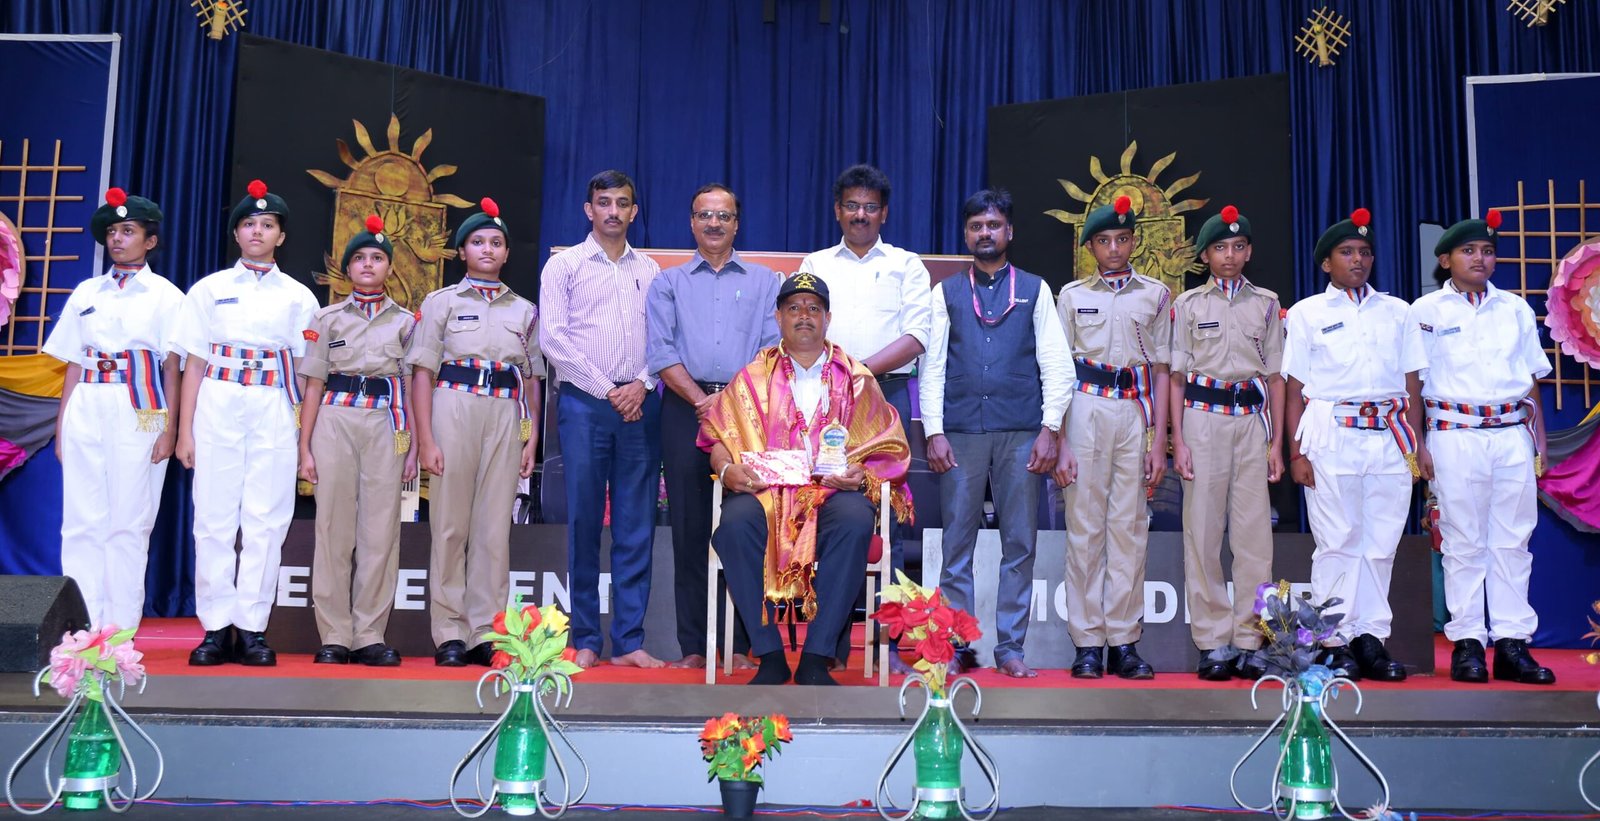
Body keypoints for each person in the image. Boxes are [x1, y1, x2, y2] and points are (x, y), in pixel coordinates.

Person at [700, 273, 912, 686]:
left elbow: (887, 446)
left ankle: (817, 656)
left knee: (855, 519)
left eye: (813, 309)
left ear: (827, 319)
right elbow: (717, 440)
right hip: (767, 492)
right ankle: (769, 654)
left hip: (833, 493)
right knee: (735, 525)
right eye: (794, 308)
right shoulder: (752, 377)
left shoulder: (856, 378)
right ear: (778, 317)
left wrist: (861, 472)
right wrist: (727, 470)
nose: (804, 316)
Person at [921, 189, 1070, 679]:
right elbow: (932, 366)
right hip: (960, 431)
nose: (985, 233)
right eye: (976, 226)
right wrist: (934, 431)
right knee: (956, 544)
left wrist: (1050, 429)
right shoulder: (945, 293)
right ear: (966, 234)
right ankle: (957, 646)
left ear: (1010, 231)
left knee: (1020, 544)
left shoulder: (1035, 289)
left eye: (993, 225)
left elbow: (1056, 364)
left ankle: (1010, 649)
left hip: (1022, 431)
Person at [1402, 209, 1555, 685]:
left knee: (1513, 540)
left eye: (1487, 251)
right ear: (1445, 260)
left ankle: (1512, 644)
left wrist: (1540, 442)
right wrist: (1418, 445)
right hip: (1455, 433)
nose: (1480, 259)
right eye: (1468, 251)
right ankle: (1468, 643)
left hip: (1511, 434)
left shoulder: (1515, 308)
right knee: (1463, 541)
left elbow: (1530, 379)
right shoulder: (1424, 311)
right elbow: (1412, 385)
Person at [172, 179, 319, 666]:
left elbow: (307, 373)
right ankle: (215, 627)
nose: (257, 231)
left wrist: (303, 438)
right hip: (217, 400)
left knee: (266, 519)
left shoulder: (299, 297)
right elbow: (193, 363)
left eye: (267, 224)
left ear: (281, 236)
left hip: (273, 404)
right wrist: (184, 431)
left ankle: (252, 627)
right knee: (213, 518)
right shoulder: (209, 290)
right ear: (236, 234)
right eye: (249, 223)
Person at [797, 164, 929, 672]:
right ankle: (828, 641)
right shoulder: (815, 263)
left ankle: (888, 645)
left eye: (870, 207)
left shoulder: (905, 265)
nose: (860, 214)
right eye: (852, 205)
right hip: (822, 399)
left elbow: (916, 337)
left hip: (884, 400)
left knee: (887, 521)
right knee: (829, 512)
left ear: (884, 214)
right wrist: (837, 379)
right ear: (838, 211)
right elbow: (800, 328)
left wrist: (858, 373)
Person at [646, 183, 778, 670]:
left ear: (737, 224)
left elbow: (771, 351)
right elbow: (661, 352)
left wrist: (732, 401)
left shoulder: (766, 282)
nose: (714, 223)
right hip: (686, 407)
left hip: (749, 411)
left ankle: (742, 645)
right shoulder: (668, 283)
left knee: (746, 524)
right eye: (705, 215)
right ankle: (694, 647)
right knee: (689, 526)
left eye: (723, 215)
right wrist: (704, 401)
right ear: (692, 223)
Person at [539, 170, 664, 669]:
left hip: (639, 402)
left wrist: (640, 384)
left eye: (622, 203)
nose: (613, 211)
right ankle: (587, 638)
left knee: (636, 523)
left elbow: (664, 339)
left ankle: (629, 641)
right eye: (604, 202)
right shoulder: (564, 266)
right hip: (585, 403)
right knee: (585, 521)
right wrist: (607, 389)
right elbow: (553, 339)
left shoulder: (651, 270)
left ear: (634, 212)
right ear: (588, 209)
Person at [410, 198, 543, 667]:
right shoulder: (441, 302)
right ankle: (449, 631)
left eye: (496, 242)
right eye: (478, 242)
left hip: (505, 412)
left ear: (507, 253)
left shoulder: (524, 310)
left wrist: (531, 437)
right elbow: (422, 372)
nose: (487, 249)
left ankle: (486, 629)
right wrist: (425, 439)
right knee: (450, 525)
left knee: (493, 528)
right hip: (454, 406)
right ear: (462, 251)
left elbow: (532, 379)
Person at [42, 187, 182, 632]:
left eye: (128, 231)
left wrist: (169, 429)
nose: (117, 239)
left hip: (140, 407)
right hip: (88, 401)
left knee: (129, 519)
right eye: (112, 232)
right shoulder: (87, 291)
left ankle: (119, 631)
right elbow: (73, 362)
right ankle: (81, 627)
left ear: (150, 241)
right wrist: (63, 426)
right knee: (81, 519)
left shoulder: (166, 296)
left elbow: (172, 367)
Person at [1282, 208, 1413, 682]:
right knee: (1337, 541)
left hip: (1389, 437)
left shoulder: (1398, 311)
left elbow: (1412, 383)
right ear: (1326, 263)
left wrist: (1416, 447)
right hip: (1331, 434)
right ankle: (1333, 639)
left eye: (1364, 252)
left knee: (1380, 544)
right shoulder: (1307, 313)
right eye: (1346, 252)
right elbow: (1294, 388)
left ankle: (1370, 637)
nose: (1357, 260)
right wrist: (1296, 453)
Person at [1054, 195, 1170, 680]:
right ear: (1090, 248)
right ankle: (1086, 641)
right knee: (1084, 526)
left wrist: (1159, 440)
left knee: (1130, 527)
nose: (1115, 248)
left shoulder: (1156, 295)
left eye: (1122, 239)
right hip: (1085, 406)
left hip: (1135, 410)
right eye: (1104, 241)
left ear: (1134, 242)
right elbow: (1058, 371)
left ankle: (1123, 640)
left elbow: (1162, 369)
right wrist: (1060, 440)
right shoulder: (1071, 295)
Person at [1169, 203, 1285, 682]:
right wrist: (1178, 440)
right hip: (1203, 420)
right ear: (1205, 255)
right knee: (1202, 532)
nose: (1230, 256)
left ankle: (1252, 638)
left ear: (1249, 252)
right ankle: (1213, 641)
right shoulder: (1188, 306)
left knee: (1254, 536)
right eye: (1220, 247)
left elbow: (1275, 377)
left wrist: (1277, 443)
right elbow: (1176, 377)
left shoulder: (1267, 303)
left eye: (1238, 246)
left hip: (1251, 421)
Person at [297, 215, 417, 667]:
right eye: (360, 258)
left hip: (386, 423)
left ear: (390, 267)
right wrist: (304, 446)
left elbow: (410, 387)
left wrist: (413, 447)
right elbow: (312, 385)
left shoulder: (407, 323)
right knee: (333, 528)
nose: (368, 264)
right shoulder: (326, 318)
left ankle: (369, 633)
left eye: (377, 258)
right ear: (347, 268)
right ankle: (333, 634)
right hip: (335, 420)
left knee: (380, 530)